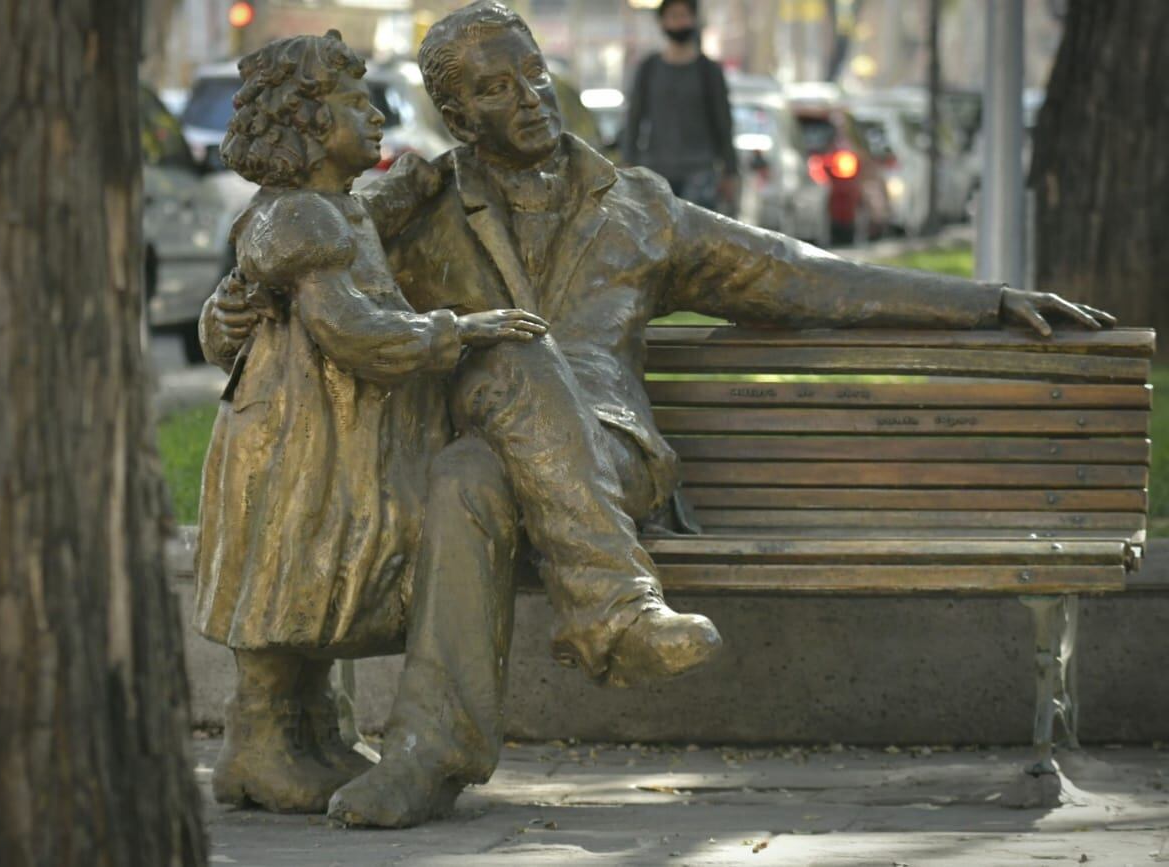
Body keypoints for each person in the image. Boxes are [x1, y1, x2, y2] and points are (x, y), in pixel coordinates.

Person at [204, 1, 1113, 829]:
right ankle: (455, 731)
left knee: (508, 366)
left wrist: (981, 301)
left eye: (531, 73)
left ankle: (601, 612)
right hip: (482, 470)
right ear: (458, 116)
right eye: (493, 88)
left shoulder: (639, 208)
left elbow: (801, 277)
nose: (526, 97)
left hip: (608, 457)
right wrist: (222, 318)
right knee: (467, 463)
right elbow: (295, 272)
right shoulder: (415, 206)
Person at [193, 31, 548, 814]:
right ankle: (257, 744)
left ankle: (312, 731)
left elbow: (354, 235)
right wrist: (460, 330)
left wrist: (411, 188)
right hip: (291, 439)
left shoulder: (328, 211)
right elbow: (353, 331)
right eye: (360, 105)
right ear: (310, 125)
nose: (380, 116)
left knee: (315, 582)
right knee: (287, 572)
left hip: (323, 434)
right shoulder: (297, 222)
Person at [622, 0, 740, 215]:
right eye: (673, 16)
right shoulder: (649, 69)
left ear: (693, 19)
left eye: (684, 15)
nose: (679, 22)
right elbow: (634, 118)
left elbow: (723, 122)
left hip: (701, 172)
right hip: (656, 172)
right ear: (663, 22)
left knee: (696, 242)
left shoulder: (708, 71)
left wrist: (730, 170)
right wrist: (628, 162)